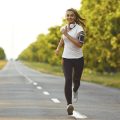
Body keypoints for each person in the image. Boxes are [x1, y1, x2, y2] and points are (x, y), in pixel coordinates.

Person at [55, 8, 85, 115]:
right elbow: (63, 39)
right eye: (67, 15)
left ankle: (75, 90)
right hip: (66, 58)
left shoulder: (79, 29)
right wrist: (58, 48)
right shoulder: (63, 28)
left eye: (71, 15)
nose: (69, 17)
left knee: (76, 81)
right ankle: (69, 105)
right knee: (68, 79)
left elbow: (80, 44)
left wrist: (67, 35)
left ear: (75, 17)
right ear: (65, 17)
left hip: (78, 59)